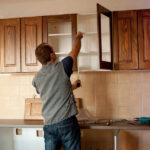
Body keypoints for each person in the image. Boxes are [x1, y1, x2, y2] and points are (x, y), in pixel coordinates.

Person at [32, 31, 83, 150]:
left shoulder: (36, 79)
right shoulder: (62, 66)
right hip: (67, 123)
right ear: (51, 56)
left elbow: (52, 91)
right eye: (53, 51)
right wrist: (79, 38)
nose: (54, 53)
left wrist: (73, 87)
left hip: (49, 126)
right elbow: (74, 52)